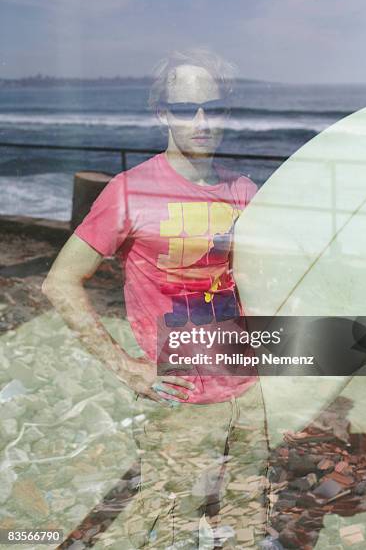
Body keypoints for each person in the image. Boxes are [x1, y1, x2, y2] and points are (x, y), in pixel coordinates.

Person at [43, 48, 271, 549]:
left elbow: (259, 285)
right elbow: (59, 282)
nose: (202, 121)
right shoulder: (129, 192)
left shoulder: (244, 191)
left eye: (214, 108)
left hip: (249, 392)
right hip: (179, 399)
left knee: (248, 514)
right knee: (176, 526)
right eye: (186, 108)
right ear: (161, 112)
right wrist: (125, 367)